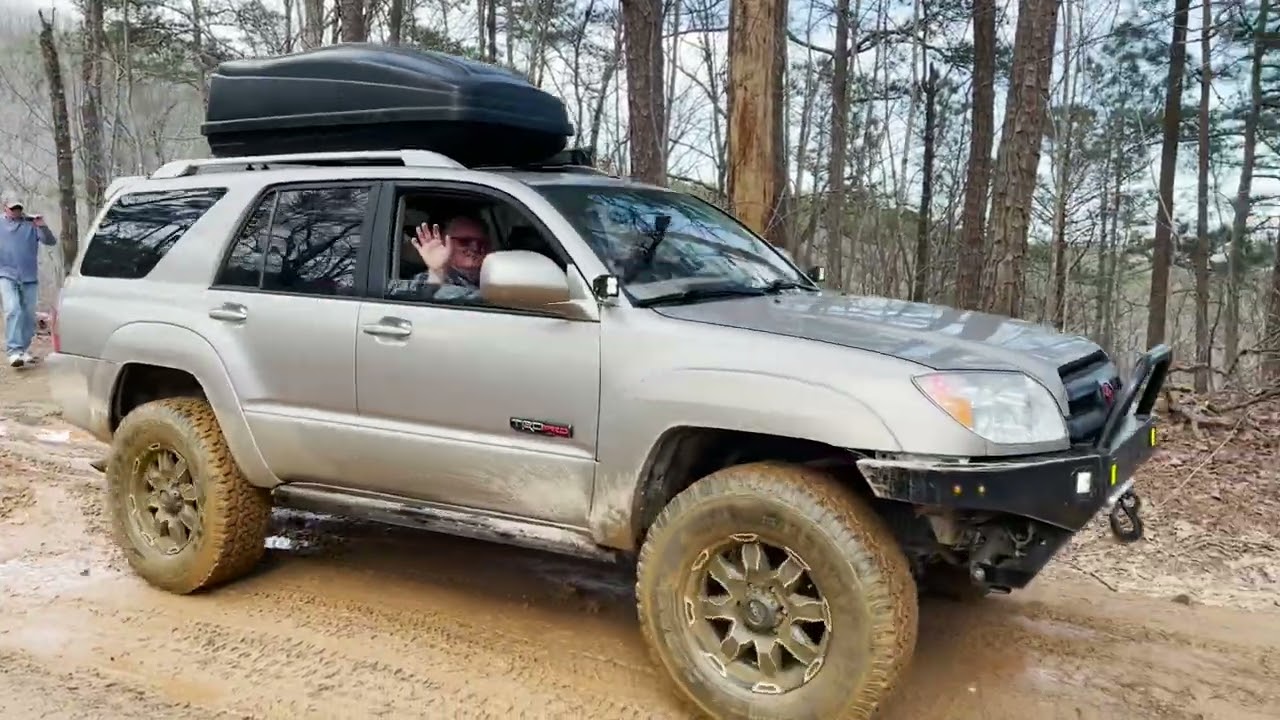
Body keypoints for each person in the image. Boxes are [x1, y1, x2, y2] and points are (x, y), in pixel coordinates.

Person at [0, 198, 56, 367]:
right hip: (6, 275)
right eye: (12, 209)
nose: (15, 211)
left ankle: (22, 349)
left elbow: (50, 241)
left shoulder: (31, 225)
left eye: (18, 208)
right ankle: (13, 350)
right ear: (5, 208)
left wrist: (42, 225)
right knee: (13, 309)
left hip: (29, 276)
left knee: (27, 315)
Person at [394, 214, 493, 302]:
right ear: (442, 242)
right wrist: (436, 272)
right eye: (465, 241)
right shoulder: (431, 278)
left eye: (481, 243)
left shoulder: (493, 277)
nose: (475, 248)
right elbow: (424, 297)